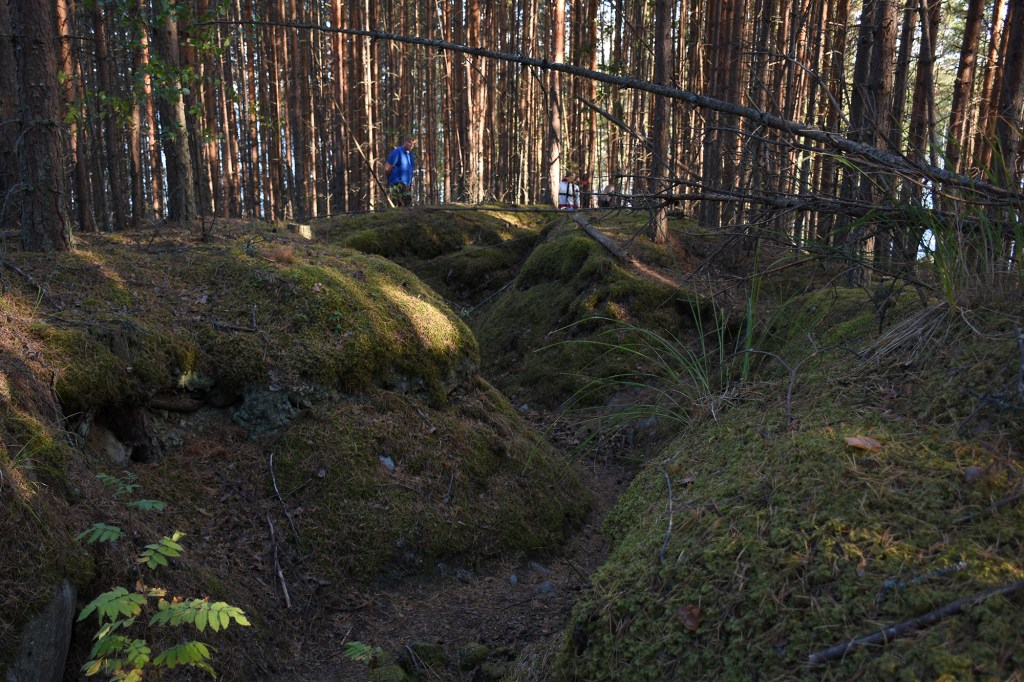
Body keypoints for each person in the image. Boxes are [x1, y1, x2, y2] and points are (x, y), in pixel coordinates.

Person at [384, 136, 415, 207]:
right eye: (409, 143)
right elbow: (387, 168)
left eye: (413, 144)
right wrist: (391, 179)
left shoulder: (410, 154)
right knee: (407, 201)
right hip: (397, 182)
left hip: (406, 184)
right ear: (405, 142)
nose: (411, 145)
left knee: (405, 204)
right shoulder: (397, 152)